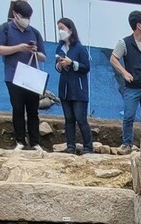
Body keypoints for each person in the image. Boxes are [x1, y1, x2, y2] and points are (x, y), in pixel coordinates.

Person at [0, 0, 46, 151]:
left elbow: (43, 56)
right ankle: (20, 141)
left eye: (28, 17)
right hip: (13, 75)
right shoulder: (5, 29)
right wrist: (19, 48)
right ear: (15, 15)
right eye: (23, 16)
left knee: (33, 110)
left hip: (31, 77)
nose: (26, 20)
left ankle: (35, 142)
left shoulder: (35, 32)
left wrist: (34, 50)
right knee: (17, 108)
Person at [110, 10, 141, 153]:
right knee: (129, 116)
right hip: (132, 87)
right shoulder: (124, 43)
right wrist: (125, 73)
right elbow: (113, 58)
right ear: (139, 25)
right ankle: (127, 144)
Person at [55, 17, 93, 154]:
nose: (60, 31)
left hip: (78, 89)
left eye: (62, 28)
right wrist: (60, 64)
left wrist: (71, 63)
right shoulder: (59, 48)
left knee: (80, 118)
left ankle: (88, 147)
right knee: (69, 119)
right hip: (65, 89)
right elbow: (57, 68)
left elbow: (86, 67)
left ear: (70, 30)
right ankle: (70, 146)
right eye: (58, 28)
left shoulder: (80, 48)